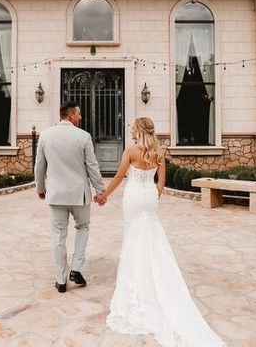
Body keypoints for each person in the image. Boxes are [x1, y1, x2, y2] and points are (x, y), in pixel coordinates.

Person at [96, 117, 226, 347]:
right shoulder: (158, 152)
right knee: (151, 237)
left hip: (134, 196)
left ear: (140, 131)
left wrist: (104, 196)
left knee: (133, 238)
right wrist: (153, 196)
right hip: (148, 197)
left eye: (134, 128)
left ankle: (137, 284)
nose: (131, 131)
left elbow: (118, 176)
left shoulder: (130, 151)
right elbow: (161, 182)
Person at [35, 101, 106, 293]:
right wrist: (101, 191)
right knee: (83, 228)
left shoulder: (45, 136)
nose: (81, 117)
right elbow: (92, 166)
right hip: (79, 194)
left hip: (56, 194)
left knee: (58, 236)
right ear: (72, 115)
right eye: (79, 114)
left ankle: (60, 280)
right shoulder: (83, 136)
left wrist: (40, 188)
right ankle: (76, 269)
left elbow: (39, 166)